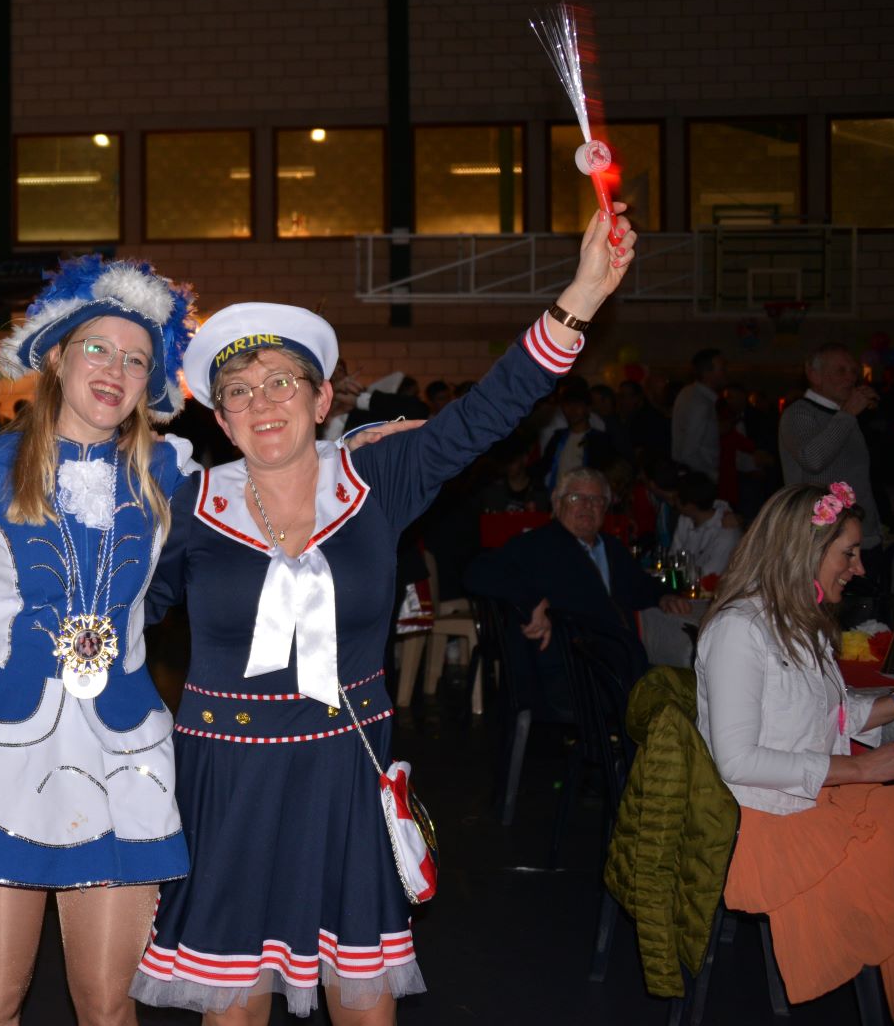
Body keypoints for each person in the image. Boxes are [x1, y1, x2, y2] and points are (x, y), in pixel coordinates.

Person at [128, 205, 640, 1024]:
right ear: (220, 419)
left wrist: (581, 294)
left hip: (347, 774)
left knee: (364, 1002)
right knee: (234, 1006)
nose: (262, 402)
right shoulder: (189, 506)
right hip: (229, 783)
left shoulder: (378, 477)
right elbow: (124, 618)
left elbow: (490, 409)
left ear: (322, 396)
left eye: (281, 382)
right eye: (239, 392)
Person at [0, 256, 201, 1026]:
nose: (115, 370)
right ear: (55, 356)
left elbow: (258, 525)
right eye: (97, 348)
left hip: (120, 751)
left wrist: (357, 446)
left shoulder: (170, 472)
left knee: (108, 1004)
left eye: (135, 359)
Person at [695, 483, 894, 1022]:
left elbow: (826, 717)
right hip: (766, 822)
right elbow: (738, 762)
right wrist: (863, 767)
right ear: (807, 551)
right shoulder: (739, 630)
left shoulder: (798, 620)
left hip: (809, 801)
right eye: (849, 553)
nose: (859, 569)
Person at [466, 465, 692, 715]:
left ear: (605, 508)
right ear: (557, 504)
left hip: (618, 670)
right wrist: (530, 601)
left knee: (692, 689)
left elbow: (639, 585)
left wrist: (663, 595)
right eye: (576, 498)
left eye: (596, 500)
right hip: (570, 676)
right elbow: (478, 571)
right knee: (673, 704)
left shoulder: (612, 548)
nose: (587, 506)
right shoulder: (537, 545)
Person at [780, 342, 883, 562]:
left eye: (853, 371)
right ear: (814, 375)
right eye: (841, 371)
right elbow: (813, 460)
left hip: (860, 534)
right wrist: (848, 414)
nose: (851, 378)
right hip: (823, 540)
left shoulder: (844, 416)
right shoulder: (798, 414)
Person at [668, 470, 741, 579]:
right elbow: (673, 557)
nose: (673, 501)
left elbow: (710, 575)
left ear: (690, 505)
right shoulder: (685, 519)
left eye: (676, 498)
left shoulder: (726, 532)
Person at [671, 348, 726, 480]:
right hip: (699, 480)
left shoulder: (689, 393)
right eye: (722, 369)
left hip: (694, 476)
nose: (725, 372)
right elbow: (689, 453)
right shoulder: (700, 403)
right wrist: (714, 476)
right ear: (707, 373)